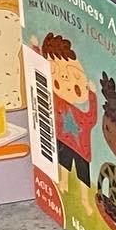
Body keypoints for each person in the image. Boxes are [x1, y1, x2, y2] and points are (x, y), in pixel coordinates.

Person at [41, 32, 98, 216]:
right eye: (58, 81)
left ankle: (85, 201)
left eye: (75, 84)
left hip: (81, 150)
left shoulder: (80, 116)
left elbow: (91, 118)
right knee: (64, 166)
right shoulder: (59, 102)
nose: (65, 84)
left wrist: (92, 95)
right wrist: (34, 49)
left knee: (83, 177)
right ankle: (63, 184)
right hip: (64, 141)